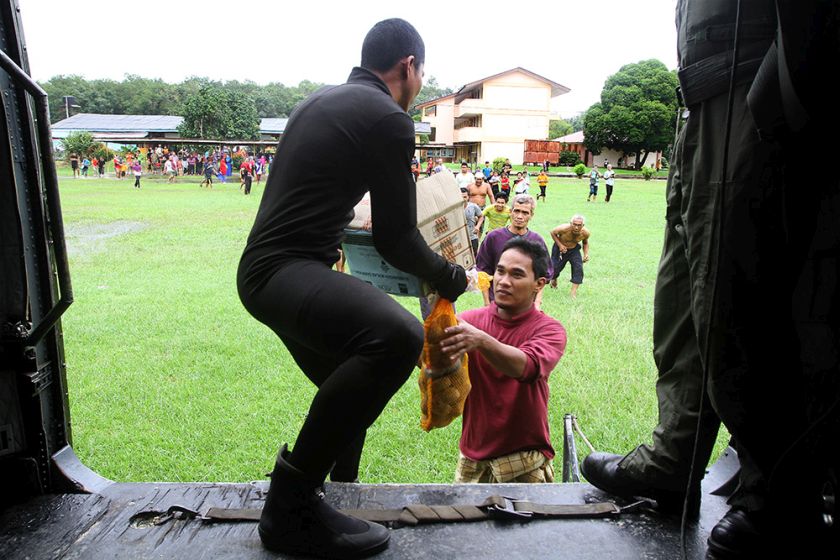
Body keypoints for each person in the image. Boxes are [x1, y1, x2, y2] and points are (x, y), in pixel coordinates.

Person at [581, 2, 840, 558]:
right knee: (683, 295)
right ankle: (674, 457)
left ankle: (777, 496)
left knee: (738, 302)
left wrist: (788, 80)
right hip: (701, 101)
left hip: (755, 84)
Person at [237, 19, 467, 559]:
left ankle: (325, 502)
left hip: (267, 271)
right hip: (286, 270)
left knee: (349, 394)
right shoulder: (388, 118)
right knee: (397, 338)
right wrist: (448, 275)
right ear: (409, 67)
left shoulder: (321, 101)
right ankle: (291, 510)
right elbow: (398, 239)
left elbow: (320, 200)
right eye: (421, 74)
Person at [437, 238, 566, 483]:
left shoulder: (550, 330)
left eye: (517, 275)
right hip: (472, 453)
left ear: (539, 284)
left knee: (524, 521)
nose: (504, 282)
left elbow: (527, 367)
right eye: (500, 271)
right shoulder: (469, 321)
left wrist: (482, 341)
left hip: (523, 457)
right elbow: (432, 363)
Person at [476, 194, 550, 308]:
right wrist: (487, 304)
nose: (520, 216)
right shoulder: (493, 237)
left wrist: (537, 303)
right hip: (497, 302)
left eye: (525, 213)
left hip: (525, 305)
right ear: (510, 212)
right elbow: (483, 271)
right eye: (517, 211)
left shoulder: (537, 241)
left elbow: (543, 274)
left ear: (531, 215)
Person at [549, 214, 590, 299]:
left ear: (583, 225)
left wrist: (586, 254)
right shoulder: (563, 228)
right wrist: (560, 245)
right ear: (571, 223)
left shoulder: (585, 233)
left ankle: (573, 293)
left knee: (578, 268)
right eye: (574, 224)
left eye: (579, 225)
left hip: (574, 250)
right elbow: (552, 233)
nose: (576, 227)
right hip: (559, 248)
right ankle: (554, 279)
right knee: (555, 268)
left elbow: (585, 243)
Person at [461, 188, 483, 255]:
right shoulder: (454, 209)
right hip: (461, 238)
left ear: (468, 197)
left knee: (474, 256)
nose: (463, 199)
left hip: (472, 236)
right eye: (461, 197)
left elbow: (481, 217)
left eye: (465, 197)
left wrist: (477, 226)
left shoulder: (473, 206)